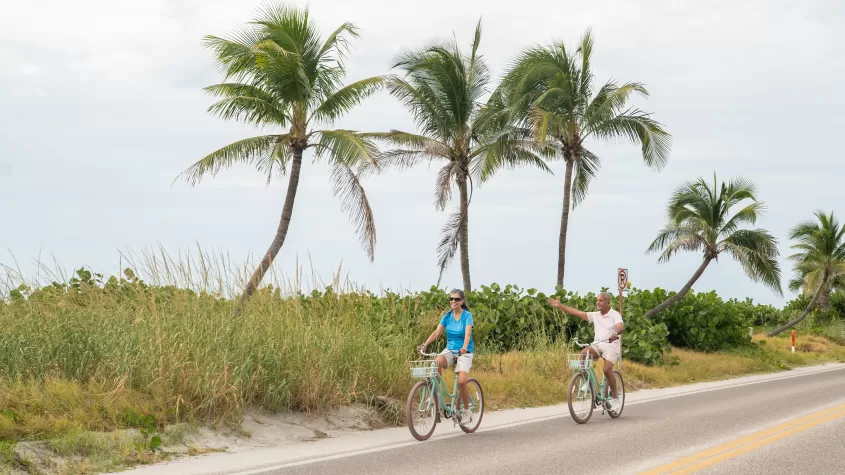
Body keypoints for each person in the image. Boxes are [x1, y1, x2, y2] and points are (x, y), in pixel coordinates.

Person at [548, 291, 624, 411]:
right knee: (583, 353)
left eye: (601, 300)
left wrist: (615, 333)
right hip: (598, 344)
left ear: (608, 303)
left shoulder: (615, 315)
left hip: (611, 345)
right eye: (597, 300)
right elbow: (577, 313)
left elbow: (620, 326)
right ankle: (586, 381)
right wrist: (560, 305)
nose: (598, 302)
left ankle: (615, 397)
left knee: (607, 370)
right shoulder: (595, 315)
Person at [418, 289, 475, 426]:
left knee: (462, 382)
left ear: (462, 301)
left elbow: (467, 335)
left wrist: (464, 347)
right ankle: (435, 394)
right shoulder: (447, 316)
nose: (453, 301)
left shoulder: (467, 316)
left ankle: (467, 411)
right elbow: (436, 332)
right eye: (451, 299)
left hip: (465, 351)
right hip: (449, 350)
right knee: (436, 361)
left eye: (456, 299)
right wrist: (425, 344)